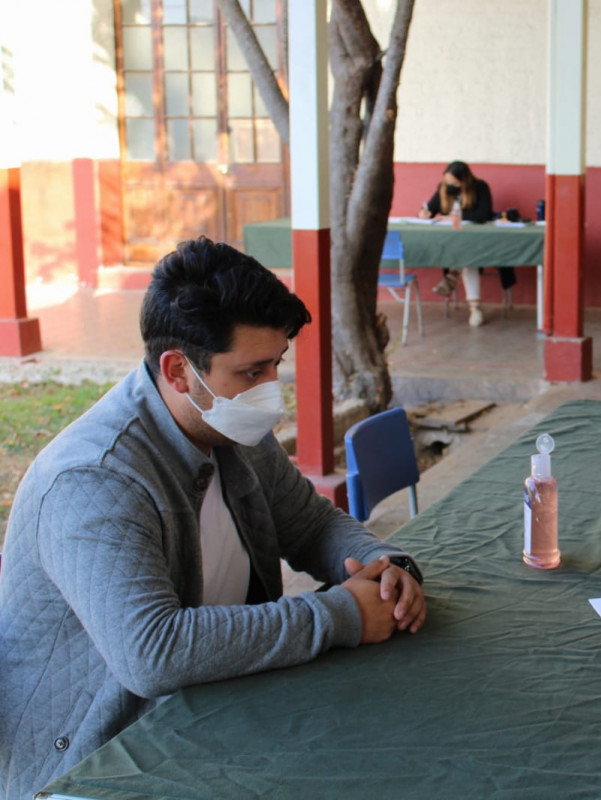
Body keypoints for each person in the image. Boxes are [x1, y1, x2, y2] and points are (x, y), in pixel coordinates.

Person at [0, 237, 428, 798]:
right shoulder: (93, 480)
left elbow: (312, 525)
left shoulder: (228, 423)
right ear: (178, 371)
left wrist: (382, 565)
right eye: (252, 372)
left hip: (215, 708)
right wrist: (341, 614)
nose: (271, 391)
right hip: (100, 759)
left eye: (276, 364)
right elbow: (152, 652)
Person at [417, 160, 514, 327]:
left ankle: (455, 280)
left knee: (469, 257)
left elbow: (484, 214)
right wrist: (423, 212)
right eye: (447, 181)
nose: (450, 185)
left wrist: (456, 218)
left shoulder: (480, 187)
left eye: (454, 182)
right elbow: (430, 209)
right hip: (453, 244)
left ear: (464, 180)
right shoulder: (443, 188)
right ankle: (475, 308)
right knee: (467, 257)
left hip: (480, 244)